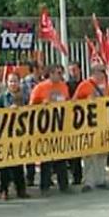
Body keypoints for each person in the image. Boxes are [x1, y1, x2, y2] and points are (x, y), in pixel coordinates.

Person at [30, 64, 72, 196]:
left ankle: (64, 185)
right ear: (51, 73)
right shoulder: (40, 87)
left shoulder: (63, 86)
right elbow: (31, 106)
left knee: (61, 157)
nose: (61, 76)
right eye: (58, 73)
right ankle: (45, 186)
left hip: (60, 127)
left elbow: (68, 102)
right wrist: (42, 106)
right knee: (46, 159)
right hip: (46, 128)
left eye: (61, 73)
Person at [74, 64, 109, 192]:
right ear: (94, 72)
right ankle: (88, 181)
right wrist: (86, 102)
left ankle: (100, 180)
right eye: (102, 71)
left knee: (102, 153)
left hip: (103, 122)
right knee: (89, 154)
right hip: (88, 124)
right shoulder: (84, 85)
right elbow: (73, 102)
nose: (104, 74)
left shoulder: (106, 85)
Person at [0, 73, 30, 200]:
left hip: (20, 134)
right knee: (5, 165)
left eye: (15, 81)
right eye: (10, 81)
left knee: (19, 164)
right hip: (6, 134)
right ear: (7, 83)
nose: (13, 84)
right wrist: (8, 110)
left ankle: (21, 189)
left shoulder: (24, 96)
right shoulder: (2, 97)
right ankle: (3, 190)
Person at [22, 60, 43, 186]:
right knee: (30, 147)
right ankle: (30, 176)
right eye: (40, 67)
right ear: (35, 69)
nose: (42, 69)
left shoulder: (42, 81)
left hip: (42, 118)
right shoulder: (26, 83)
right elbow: (25, 99)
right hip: (30, 118)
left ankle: (46, 177)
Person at [66, 61, 84, 185]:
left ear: (80, 70)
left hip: (85, 119)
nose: (73, 72)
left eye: (75, 69)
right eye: (71, 70)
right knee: (74, 150)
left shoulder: (86, 84)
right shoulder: (66, 85)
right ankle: (76, 176)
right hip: (72, 120)